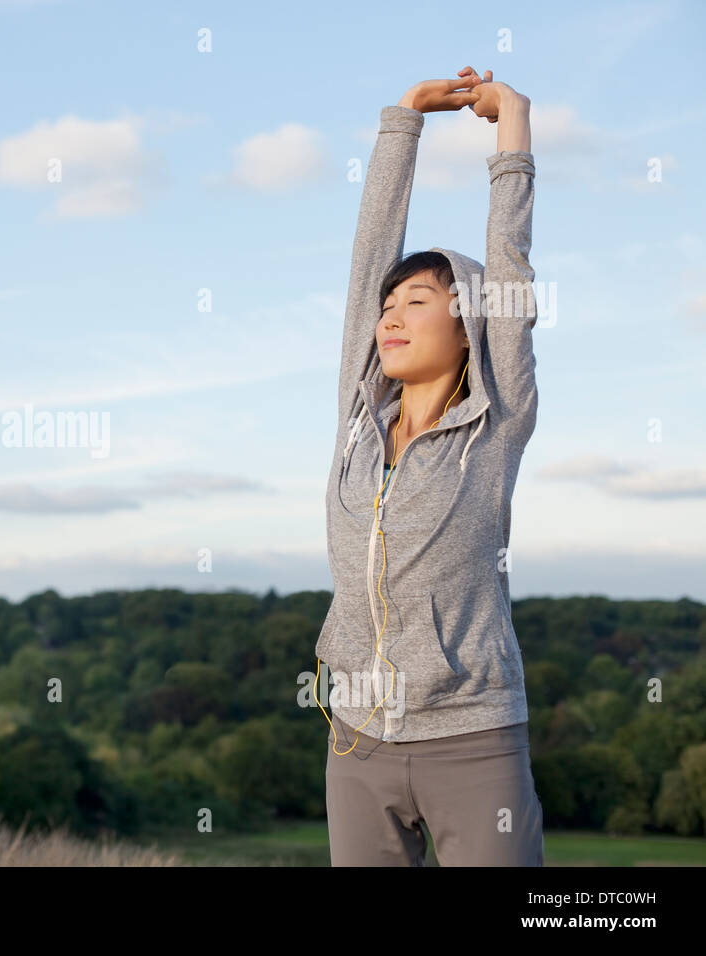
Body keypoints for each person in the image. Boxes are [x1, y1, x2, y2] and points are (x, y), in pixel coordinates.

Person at [311, 67, 545, 866]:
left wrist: (511, 122)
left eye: (416, 300)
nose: (389, 315)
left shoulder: (497, 421)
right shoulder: (357, 419)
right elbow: (365, 262)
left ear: (468, 323)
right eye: (388, 305)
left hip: (472, 739)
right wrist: (403, 120)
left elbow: (509, 264)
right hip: (357, 739)